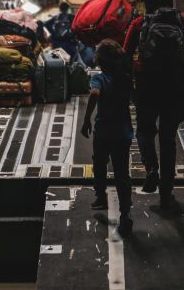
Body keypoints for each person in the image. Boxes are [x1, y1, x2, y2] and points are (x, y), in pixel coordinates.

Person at [123, 0, 184, 209]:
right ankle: (166, 193)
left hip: (147, 86)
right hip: (176, 87)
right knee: (168, 138)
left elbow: (124, 55)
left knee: (145, 130)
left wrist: (134, 75)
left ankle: (151, 168)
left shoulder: (140, 23)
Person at [80, 39, 134, 237]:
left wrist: (87, 120)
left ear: (100, 61)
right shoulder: (126, 78)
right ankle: (125, 213)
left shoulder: (99, 79)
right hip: (123, 132)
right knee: (122, 174)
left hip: (103, 132)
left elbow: (94, 94)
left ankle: (100, 195)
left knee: (100, 163)